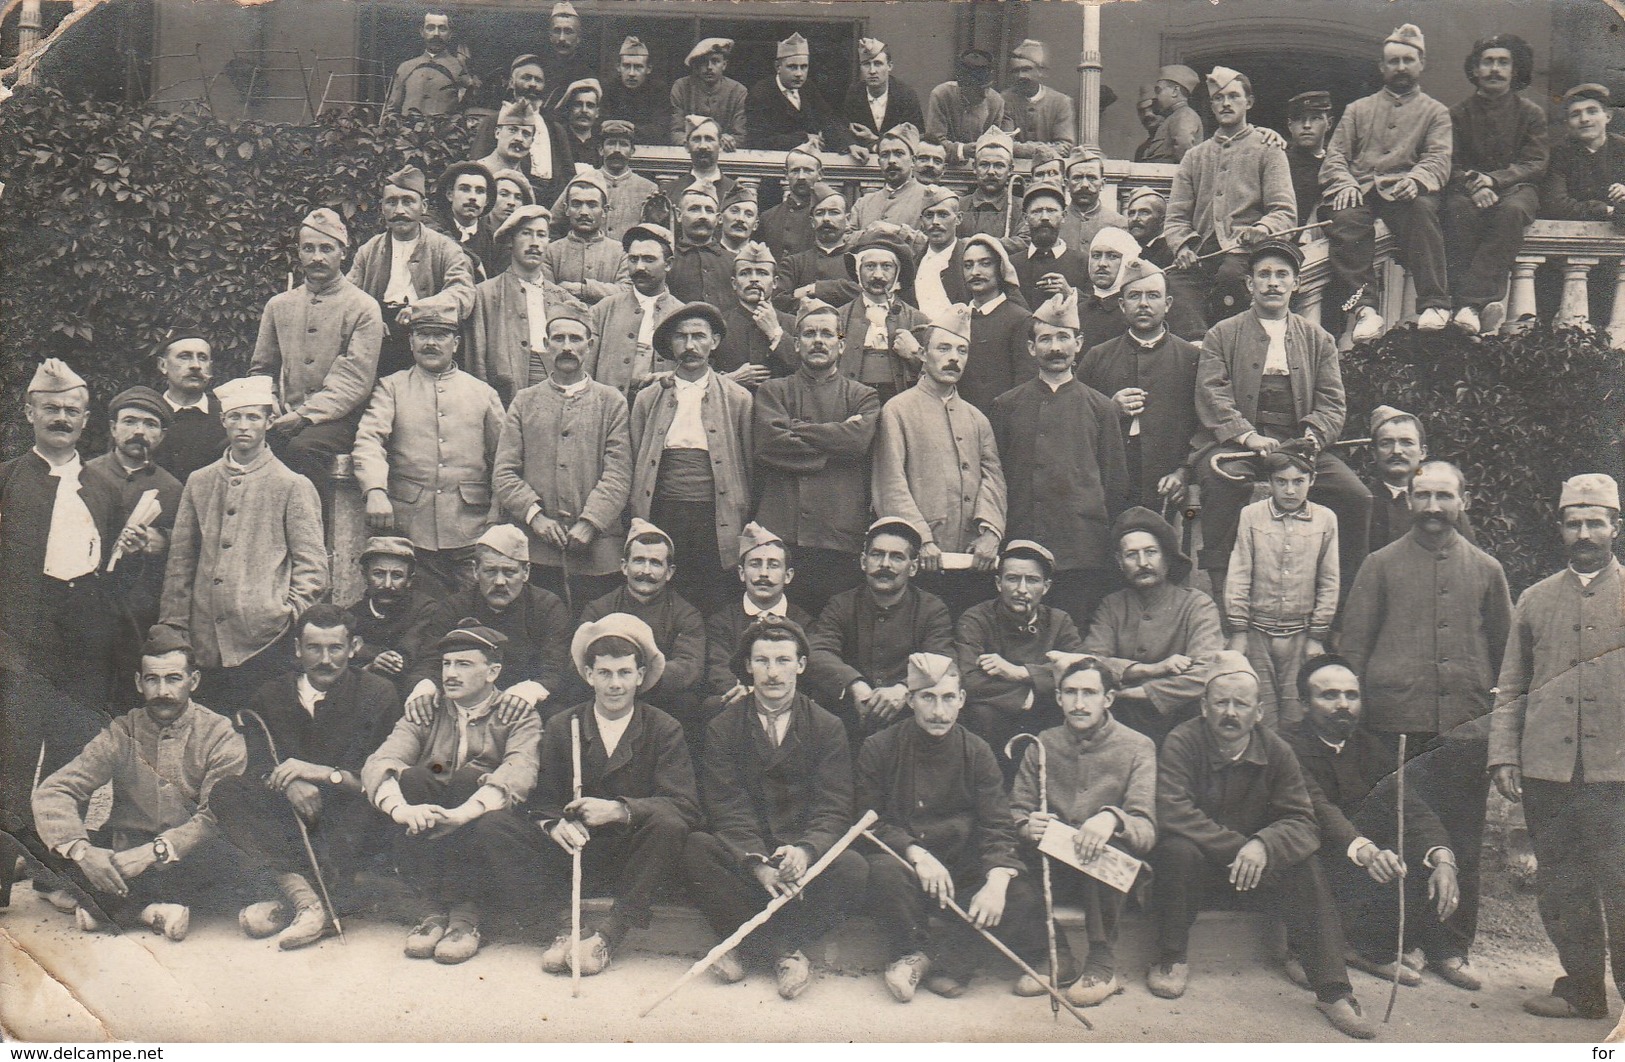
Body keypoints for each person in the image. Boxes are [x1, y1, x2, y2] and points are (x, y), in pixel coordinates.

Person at [1338, 459, 1512, 990]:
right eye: (1423, 496)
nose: (1433, 507)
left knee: (1460, 837)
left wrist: (1497, 726)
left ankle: (1451, 947)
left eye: (1444, 496)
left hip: (1464, 727)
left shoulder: (1487, 570)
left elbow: (1508, 659)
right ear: (1409, 500)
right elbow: (1352, 649)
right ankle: (1389, 941)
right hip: (1394, 725)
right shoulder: (1380, 564)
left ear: (1464, 501)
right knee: (1396, 834)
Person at [1147, 651, 1376, 1039]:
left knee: (1304, 862)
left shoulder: (1276, 750)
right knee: (1177, 849)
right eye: (1221, 702)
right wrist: (1243, 847)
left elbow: (1303, 821)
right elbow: (1173, 812)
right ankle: (1171, 958)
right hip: (1195, 876)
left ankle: (1334, 990)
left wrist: (1264, 845)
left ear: (1259, 710)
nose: (1230, 713)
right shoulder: (1181, 742)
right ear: (1203, 706)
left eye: (1241, 704)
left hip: (1257, 878)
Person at [1490, 473, 1625, 1021]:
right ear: (1561, 530)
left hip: (1618, 773)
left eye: (1596, 522)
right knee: (1562, 884)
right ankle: (1584, 989)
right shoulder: (1534, 599)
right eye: (1575, 523)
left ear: (1616, 527)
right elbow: (1512, 684)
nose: (1585, 533)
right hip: (1549, 770)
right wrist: (1504, 753)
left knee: (1622, 883)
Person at [857, 652, 1058, 1000]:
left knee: (1017, 893)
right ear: (910, 700)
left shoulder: (977, 751)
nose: (938, 711)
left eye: (948, 698)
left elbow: (998, 824)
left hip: (960, 874)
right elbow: (869, 822)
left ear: (962, 700)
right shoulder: (880, 748)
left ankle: (930, 961)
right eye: (927, 698)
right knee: (882, 872)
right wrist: (915, 853)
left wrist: (996, 880)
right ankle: (918, 951)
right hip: (908, 872)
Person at [684, 615, 864, 998]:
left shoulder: (827, 726)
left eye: (783, 661)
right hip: (750, 860)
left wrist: (806, 850)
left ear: (801, 665)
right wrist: (758, 864)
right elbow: (726, 804)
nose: (773, 673)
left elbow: (834, 806)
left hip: (801, 864)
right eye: (762, 661)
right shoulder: (723, 725)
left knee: (853, 868)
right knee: (695, 848)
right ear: (748, 666)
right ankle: (783, 953)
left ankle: (746, 946)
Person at [30, 628, 247, 940]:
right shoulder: (122, 731)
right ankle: (149, 912)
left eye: (173, 678)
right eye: (152, 679)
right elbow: (54, 791)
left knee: (235, 863)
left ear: (193, 681)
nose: (162, 691)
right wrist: (82, 852)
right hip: (126, 853)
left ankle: (118, 909)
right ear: (138, 682)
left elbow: (215, 816)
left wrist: (153, 852)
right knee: (63, 847)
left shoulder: (220, 733)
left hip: (190, 854)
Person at [1190, 240, 1371, 603]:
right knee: (1219, 482)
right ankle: (1225, 599)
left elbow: (1332, 401)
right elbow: (1212, 392)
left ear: (1297, 284)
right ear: (1249, 285)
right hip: (1241, 446)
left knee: (1356, 497)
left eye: (1282, 275)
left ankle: (1345, 599)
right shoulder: (1222, 335)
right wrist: (1246, 436)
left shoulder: (1319, 339)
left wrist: (1313, 437)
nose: (1273, 283)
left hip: (1299, 444)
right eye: (1264, 275)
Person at [209, 604, 398, 950]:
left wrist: (324, 775)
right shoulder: (270, 695)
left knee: (366, 812)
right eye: (314, 648)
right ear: (297, 649)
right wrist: (291, 783)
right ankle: (307, 901)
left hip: (350, 812)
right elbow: (260, 766)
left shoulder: (377, 694)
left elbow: (377, 777)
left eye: (335, 648)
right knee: (229, 792)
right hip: (290, 813)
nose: (325, 659)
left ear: (354, 648)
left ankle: (299, 903)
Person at [529, 613, 701, 976]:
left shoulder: (664, 728)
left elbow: (684, 806)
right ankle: (566, 929)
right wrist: (551, 825)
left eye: (624, 673)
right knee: (498, 828)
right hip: (576, 854)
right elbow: (541, 800)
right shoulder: (564, 725)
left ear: (640, 676)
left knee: (670, 825)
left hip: (634, 859)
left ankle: (608, 936)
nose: (615, 684)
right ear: (589, 675)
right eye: (604, 673)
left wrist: (620, 811)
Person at [362, 621, 542, 964]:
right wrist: (402, 810)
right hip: (433, 818)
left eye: (464, 664)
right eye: (446, 664)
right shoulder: (427, 709)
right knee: (414, 779)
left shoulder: (516, 714)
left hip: (488, 822)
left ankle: (466, 917)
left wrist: (463, 814)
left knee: (466, 780)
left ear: (493, 672)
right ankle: (432, 911)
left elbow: (519, 772)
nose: (451, 674)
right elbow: (381, 761)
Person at [1285, 655, 1464, 990]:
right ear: (1303, 703)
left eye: (1351, 696)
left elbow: (1409, 805)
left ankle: (1365, 949)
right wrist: (1366, 851)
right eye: (1329, 695)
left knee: (1410, 845)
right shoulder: (1286, 745)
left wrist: (1443, 857)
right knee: (1307, 852)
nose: (1343, 705)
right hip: (1306, 847)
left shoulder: (1369, 747)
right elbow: (1319, 809)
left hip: (1352, 852)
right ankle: (1301, 953)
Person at [159, 375, 327, 713]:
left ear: (268, 421)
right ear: (223, 421)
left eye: (253, 417)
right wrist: (176, 626)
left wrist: (284, 615)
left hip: (265, 642)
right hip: (204, 640)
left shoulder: (292, 485)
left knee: (259, 726)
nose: (244, 426)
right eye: (235, 417)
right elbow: (180, 563)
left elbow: (314, 569)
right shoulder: (199, 481)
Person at [0, 359, 127, 798]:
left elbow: (117, 571)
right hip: (23, 634)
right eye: (51, 408)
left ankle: (59, 852)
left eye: (71, 411)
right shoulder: (7, 480)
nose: (61, 418)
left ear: (86, 420)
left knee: (75, 749)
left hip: (86, 633)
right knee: (12, 750)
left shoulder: (104, 487)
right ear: (29, 413)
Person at [1010, 654, 1158, 1006]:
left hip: (1108, 876)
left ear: (1107, 699)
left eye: (1089, 693)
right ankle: (1057, 955)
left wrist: (1111, 819)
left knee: (1102, 847)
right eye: (1070, 693)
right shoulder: (1042, 742)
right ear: (1058, 697)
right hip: (1055, 868)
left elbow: (1146, 829)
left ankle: (1101, 962)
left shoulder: (1138, 746)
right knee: (1003, 858)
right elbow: (1016, 808)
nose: (1079, 703)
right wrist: (1027, 825)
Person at [993, 289, 1129, 628]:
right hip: (1024, 544)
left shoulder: (1101, 407)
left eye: (1063, 338)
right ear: (1031, 348)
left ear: (1078, 343)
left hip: (1081, 549)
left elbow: (1114, 483)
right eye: (1046, 339)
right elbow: (998, 476)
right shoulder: (1007, 406)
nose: (1055, 348)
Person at [351, 308, 503, 596]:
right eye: (422, 335)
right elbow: (369, 439)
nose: (430, 343)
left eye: (440, 335)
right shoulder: (391, 388)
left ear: (456, 343)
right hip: (410, 529)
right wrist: (375, 490)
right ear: (410, 342)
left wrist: (496, 515)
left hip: (471, 528)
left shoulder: (483, 394)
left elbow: (504, 460)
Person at [1320, 24, 1453, 341]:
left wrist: (1418, 179)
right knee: (1345, 219)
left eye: (1408, 60)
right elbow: (1335, 156)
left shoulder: (1436, 112)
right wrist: (1345, 183)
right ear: (1382, 67)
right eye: (1393, 61)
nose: (1401, 67)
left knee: (1423, 212)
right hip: (1363, 188)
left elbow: (1438, 157)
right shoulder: (1357, 109)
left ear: (1421, 64)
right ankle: (1365, 308)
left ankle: (1434, 303)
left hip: (1406, 191)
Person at [493, 307, 633, 608]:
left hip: (598, 550)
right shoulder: (524, 401)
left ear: (590, 345)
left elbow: (618, 473)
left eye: (575, 338)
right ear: (546, 344)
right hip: (537, 548)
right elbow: (504, 473)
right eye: (558, 339)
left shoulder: (611, 402)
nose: (567, 346)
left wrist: (590, 522)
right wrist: (536, 517)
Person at [872, 303, 1006, 615]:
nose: (953, 358)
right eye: (943, 348)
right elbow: (890, 483)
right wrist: (920, 539)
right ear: (923, 354)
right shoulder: (898, 410)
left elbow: (993, 480)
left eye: (961, 351)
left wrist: (990, 533)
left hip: (970, 560)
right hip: (920, 560)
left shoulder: (977, 418)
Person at [753, 301, 882, 617]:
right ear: (796, 344)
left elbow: (857, 442)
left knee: (833, 623)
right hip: (783, 531)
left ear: (841, 345)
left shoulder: (862, 395)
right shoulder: (773, 391)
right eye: (809, 334)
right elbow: (770, 444)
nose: (818, 341)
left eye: (827, 334)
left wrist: (796, 427)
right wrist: (834, 441)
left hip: (837, 533)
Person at [627, 301, 754, 613]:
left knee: (713, 591)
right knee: (664, 585)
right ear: (671, 344)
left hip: (715, 512)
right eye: (681, 337)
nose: (690, 346)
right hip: (664, 507)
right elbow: (635, 457)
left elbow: (748, 463)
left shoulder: (738, 398)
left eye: (699, 336)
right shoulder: (648, 398)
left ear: (715, 342)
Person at [252, 207, 385, 488]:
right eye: (308, 248)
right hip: (285, 413)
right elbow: (262, 369)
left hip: (339, 418)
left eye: (326, 248)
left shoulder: (363, 307)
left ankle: (314, 529)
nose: (317, 257)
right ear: (299, 253)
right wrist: (272, 405)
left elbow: (355, 381)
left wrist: (303, 416)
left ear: (344, 253)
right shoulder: (279, 305)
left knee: (302, 451)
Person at [1164, 67, 1297, 331]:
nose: (1226, 104)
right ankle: (1198, 348)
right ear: (1211, 104)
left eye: (1234, 96)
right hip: (1201, 253)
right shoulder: (1195, 157)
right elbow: (1176, 216)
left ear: (1248, 102)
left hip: (1246, 252)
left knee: (1231, 278)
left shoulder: (1267, 149)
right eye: (1218, 98)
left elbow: (1285, 212)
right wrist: (1182, 248)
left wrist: (1263, 229)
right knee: (1173, 285)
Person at [1081, 507, 1223, 746]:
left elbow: (1205, 672)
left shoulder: (1196, 604)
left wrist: (1138, 692)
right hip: (1120, 722)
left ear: (1167, 557)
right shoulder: (1112, 605)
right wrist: (1151, 669)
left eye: (1151, 552)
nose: (1143, 563)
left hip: (1180, 724)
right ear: (1119, 562)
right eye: (1131, 555)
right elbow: (1091, 660)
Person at [807, 517, 954, 742]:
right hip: (850, 717)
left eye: (897, 557)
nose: (885, 564)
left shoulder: (931, 608)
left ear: (913, 567)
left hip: (909, 719)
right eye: (877, 554)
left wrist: (904, 690)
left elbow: (942, 656)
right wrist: (855, 685)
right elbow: (818, 651)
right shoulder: (841, 604)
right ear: (864, 562)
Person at [82, 386, 185, 709]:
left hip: (140, 615)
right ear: (113, 428)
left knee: (132, 695)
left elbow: (187, 549)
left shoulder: (172, 488)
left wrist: (161, 541)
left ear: (163, 434)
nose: (139, 431)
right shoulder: (84, 475)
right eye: (129, 421)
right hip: (88, 607)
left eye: (150, 424)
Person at [1222, 449, 1339, 732]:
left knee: (1295, 715)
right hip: (1257, 633)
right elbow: (1239, 571)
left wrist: (1316, 636)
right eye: (1281, 481)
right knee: (1261, 714)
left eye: (1298, 481)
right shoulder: (1251, 516)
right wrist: (1239, 632)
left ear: (1312, 480)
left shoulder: (1325, 519)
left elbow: (1329, 580)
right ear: (1270, 482)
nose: (1289, 490)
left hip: (1299, 635)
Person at [400, 525, 572, 711]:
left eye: (509, 572)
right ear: (475, 571)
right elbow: (431, 660)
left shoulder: (547, 607)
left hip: (524, 707)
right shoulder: (455, 607)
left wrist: (530, 690)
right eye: (490, 571)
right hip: (464, 705)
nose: (499, 582)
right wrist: (425, 687)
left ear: (526, 572)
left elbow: (555, 669)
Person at [1075, 258, 1202, 510]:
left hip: (1168, 482)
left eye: (1153, 296)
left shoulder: (1192, 358)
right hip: (1110, 481)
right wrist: (1109, 410)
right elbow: (1075, 420)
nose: (1143, 304)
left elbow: (1205, 425)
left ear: (1168, 304)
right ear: (1122, 305)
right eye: (1134, 296)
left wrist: (1184, 472)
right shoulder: (1097, 357)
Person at [1443, 34, 1548, 335]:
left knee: (1512, 212)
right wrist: (1475, 185)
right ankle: (1474, 304)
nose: (1494, 69)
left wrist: (1495, 180)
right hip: (1468, 189)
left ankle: (1470, 304)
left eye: (1503, 62)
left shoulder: (1531, 114)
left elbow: (1535, 163)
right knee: (1456, 209)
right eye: (1487, 62)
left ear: (1514, 71)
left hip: (1517, 188)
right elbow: (1448, 162)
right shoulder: (1457, 114)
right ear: (1475, 70)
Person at [953, 540, 1086, 769]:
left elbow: (1080, 671)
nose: (1021, 589)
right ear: (998, 583)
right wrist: (1028, 696)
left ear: (1046, 587)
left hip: (1048, 716)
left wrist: (1021, 674)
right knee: (981, 715)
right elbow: (966, 678)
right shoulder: (976, 619)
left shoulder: (1059, 621)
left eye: (1032, 580)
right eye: (1012, 578)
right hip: (995, 720)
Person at [576, 521, 709, 741]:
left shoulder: (686, 614)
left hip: (659, 699)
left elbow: (689, 667)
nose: (645, 571)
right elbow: (578, 662)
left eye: (655, 563)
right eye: (639, 561)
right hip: (608, 694)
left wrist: (637, 680)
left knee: (687, 704)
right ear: (624, 566)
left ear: (669, 572)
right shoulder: (599, 608)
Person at [345, 168, 474, 379]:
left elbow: (463, 292)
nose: (399, 210)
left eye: (408, 201)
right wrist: (370, 319)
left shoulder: (444, 248)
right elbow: (348, 295)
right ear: (382, 209)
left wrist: (423, 308)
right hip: (379, 335)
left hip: (427, 333)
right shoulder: (369, 250)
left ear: (422, 207)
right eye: (391, 202)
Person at [467, 204, 590, 405]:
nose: (535, 243)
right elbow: (477, 362)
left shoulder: (563, 298)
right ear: (511, 241)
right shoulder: (486, 294)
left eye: (541, 235)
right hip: (503, 396)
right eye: (526, 234)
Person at [702, 524, 814, 717]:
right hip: (738, 702)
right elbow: (719, 669)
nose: (764, 573)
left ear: (788, 576)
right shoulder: (721, 622)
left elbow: (809, 672)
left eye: (773, 565)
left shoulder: (804, 622)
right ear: (741, 573)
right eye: (755, 564)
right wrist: (747, 694)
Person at [1364, 404, 1476, 551]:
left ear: (1422, 452)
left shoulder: (1444, 504)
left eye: (1406, 442)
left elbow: (1470, 560)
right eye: (1386, 443)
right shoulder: (1363, 501)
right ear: (1374, 453)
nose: (1396, 451)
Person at [835, 226, 926, 403]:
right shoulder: (839, 319)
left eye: (886, 267)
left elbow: (935, 370)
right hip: (852, 402)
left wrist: (915, 356)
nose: (878, 275)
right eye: (870, 266)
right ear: (858, 271)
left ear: (897, 272)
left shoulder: (917, 320)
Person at [472, 57, 573, 207]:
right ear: (512, 83)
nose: (532, 84)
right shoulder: (494, 122)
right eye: (526, 78)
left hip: (551, 203)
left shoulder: (555, 129)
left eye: (538, 80)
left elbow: (568, 174)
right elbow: (478, 167)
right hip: (510, 199)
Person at [348, 536, 436, 687]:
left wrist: (363, 650)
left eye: (397, 576)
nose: (387, 584)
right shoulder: (352, 615)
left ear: (409, 580)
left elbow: (401, 661)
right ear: (365, 576)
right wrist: (370, 665)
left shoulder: (424, 609)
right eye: (379, 574)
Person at [746, 33, 847, 152]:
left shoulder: (808, 88)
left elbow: (828, 119)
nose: (799, 74)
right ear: (778, 67)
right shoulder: (761, 93)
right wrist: (803, 138)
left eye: (804, 67)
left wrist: (849, 144)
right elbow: (758, 140)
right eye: (792, 67)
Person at [542, 170, 631, 306]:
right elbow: (546, 294)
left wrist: (584, 289)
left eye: (592, 205)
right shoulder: (551, 252)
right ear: (566, 209)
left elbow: (627, 292)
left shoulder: (621, 252)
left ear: (605, 211)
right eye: (577, 204)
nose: (584, 212)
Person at [1541, 83, 1625, 226]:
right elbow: (1556, 205)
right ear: (1567, 123)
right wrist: (1606, 210)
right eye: (1575, 114)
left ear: (1608, 116)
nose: (1584, 119)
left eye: (1592, 111)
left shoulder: (1621, 148)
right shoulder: (1557, 154)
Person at [150, 331, 226, 483]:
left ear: (210, 368)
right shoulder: (148, 416)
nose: (196, 365)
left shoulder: (227, 417)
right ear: (163, 365)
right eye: (185, 357)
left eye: (202, 358)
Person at [714, 241, 794, 386]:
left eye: (762, 273)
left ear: (775, 282)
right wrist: (731, 379)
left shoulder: (794, 323)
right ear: (734, 283)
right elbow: (698, 374)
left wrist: (775, 333)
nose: (754, 279)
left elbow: (807, 371)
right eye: (745, 273)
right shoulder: (718, 324)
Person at [570, 120, 660, 244]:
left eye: (623, 144)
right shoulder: (583, 180)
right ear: (601, 150)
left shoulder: (648, 189)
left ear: (632, 151)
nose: (617, 150)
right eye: (611, 144)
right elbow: (555, 224)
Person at [774, 183, 859, 312]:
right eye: (820, 213)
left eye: (834, 212)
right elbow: (780, 302)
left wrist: (814, 289)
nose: (826, 219)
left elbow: (868, 293)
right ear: (812, 222)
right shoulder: (794, 263)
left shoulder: (860, 258)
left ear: (847, 220)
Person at [384, 9, 478, 118]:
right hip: (407, 133)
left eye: (442, 29)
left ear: (450, 34)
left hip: (445, 133)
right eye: (430, 28)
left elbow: (472, 110)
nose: (436, 34)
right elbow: (392, 111)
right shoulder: (405, 67)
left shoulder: (460, 67)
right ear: (422, 32)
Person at [841, 38, 925, 158]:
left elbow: (916, 138)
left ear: (889, 66)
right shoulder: (853, 94)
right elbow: (844, 132)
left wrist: (874, 139)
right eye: (866, 64)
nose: (872, 71)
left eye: (878, 64)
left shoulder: (906, 95)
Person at [1013, 182, 1089, 312]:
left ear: (1063, 216)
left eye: (1051, 211)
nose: (1044, 218)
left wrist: (1070, 294)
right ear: (1026, 218)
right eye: (1036, 211)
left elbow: (1096, 311)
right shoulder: (1012, 264)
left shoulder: (1084, 262)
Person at [925, 50, 1011, 164]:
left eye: (988, 87)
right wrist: (961, 150)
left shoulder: (996, 101)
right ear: (962, 86)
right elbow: (933, 142)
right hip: (943, 165)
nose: (985, 94)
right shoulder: (941, 95)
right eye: (978, 89)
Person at [670, 39, 747, 150]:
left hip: (724, 153)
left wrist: (728, 140)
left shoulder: (737, 91)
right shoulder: (681, 87)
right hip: (690, 152)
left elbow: (741, 135)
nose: (709, 67)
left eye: (715, 61)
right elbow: (675, 132)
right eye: (703, 62)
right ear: (696, 66)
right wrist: (695, 142)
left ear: (724, 65)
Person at [1001, 39, 1077, 152]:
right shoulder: (1004, 100)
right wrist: (1044, 149)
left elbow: (1065, 146)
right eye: (1016, 71)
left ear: (1040, 71)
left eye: (1027, 69)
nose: (1021, 76)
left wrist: (1023, 149)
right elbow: (1005, 143)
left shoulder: (1061, 102)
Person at [667, 184, 732, 311]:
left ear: (718, 218)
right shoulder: (667, 260)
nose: (703, 216)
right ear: (679, 215)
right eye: (694, 209)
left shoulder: (733, 262)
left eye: (709, 210)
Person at [658, 115, 739, 215]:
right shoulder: (669, 191)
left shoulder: (736, 192)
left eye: (709, 139)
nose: (703, 146)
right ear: (687, 146)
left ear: (721, 145)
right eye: (696, 139)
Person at [1077, 226, 1141, 352]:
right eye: (1096, 256)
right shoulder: (1077, 311)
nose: (1102, 263)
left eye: (1112, 256)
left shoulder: (1135, 312)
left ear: (1127, 260)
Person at [758, 144, 824, 261]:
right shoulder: (768, 217)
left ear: (820, 174)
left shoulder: (826, 216)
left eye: (808, 171)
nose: (801, 177)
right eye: (795, 171)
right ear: (785, 174)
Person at [912, 185, 969, 320]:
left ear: (959, 218)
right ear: (921, 221)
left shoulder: (969, 258)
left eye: (943, 215)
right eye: (929, 215)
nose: (935, 222)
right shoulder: (913, 262)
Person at [434, 160, 496, 282]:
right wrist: (475, 260)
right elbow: (438, 237)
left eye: (480, 191)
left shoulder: (492, 239)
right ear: (450, 195)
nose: (473, 197)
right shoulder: (433, 222)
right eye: (465, 189)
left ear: (487, 200)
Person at [601, 37, 668, 147]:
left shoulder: (658, 92)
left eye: (638, 67)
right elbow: (599, 124)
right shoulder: (608, 90)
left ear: (648, 68)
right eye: (627, 66)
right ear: (618, 67)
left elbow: (660, 130)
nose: (631, 73)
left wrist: (626, 128)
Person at [1057, 149, 1128, 253]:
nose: (1084, 185)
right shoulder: (1056, 221)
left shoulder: (1119, 223)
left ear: (1102, 184)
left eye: (1091, 178)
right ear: (1067, 184)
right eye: (1078, 178)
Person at [956, 127, 1019, 241]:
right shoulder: (958, 206)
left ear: (1010, 169)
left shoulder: (1021, 208)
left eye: (999, 165)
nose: (991, 172)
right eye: (984, 165)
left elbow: (1023, 243)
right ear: (974, 167)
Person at [1284, 91, 1333, 226]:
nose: (1306, 125)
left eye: (1315, 118)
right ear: (1290, 125)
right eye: (1299, 119)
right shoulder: (1280, 161)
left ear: (1329, 123)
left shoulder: (1338, 161)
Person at [1139, 65, 1203, 164]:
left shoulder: (1184, 114)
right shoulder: (1173, 117)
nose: (1156, 97)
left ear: (1175, 91)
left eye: (1158, 91)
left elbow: (1184, 146)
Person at [537, 1, 592, 114]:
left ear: (578, 38)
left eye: (568, 32)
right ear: (550, 36)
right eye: (557, 31)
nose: (561, 38)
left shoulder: (586, 75)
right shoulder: (538, 70)